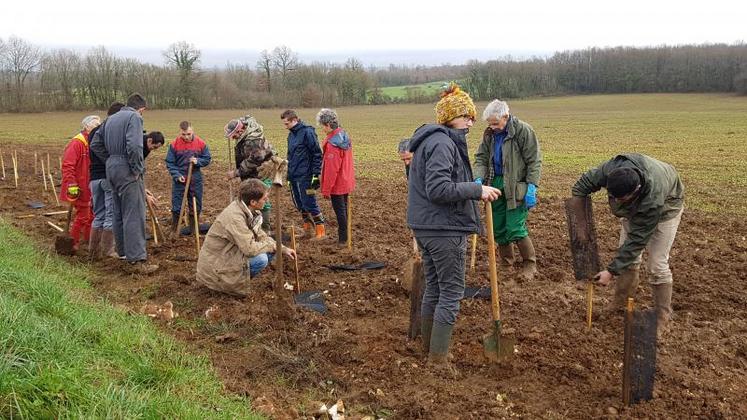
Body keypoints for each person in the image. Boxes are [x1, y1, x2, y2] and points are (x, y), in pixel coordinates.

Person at [407, 83, 501, 373]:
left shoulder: (431, 140)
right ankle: (438, 360)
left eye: (473, 117)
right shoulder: (443, 143)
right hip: (443, 228)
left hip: (427, 226)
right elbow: (438, 189)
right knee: (451, 291)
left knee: (435, 287)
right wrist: (476, 189)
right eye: (467, 117)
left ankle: (428, 349)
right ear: (451, 117)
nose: (472, 122)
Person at [571, 153, 684, 337]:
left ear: (636, 191)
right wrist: (581, 226)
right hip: (638, 204)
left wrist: (611, 271)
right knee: (628, 260)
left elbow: (637, 241)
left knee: (657, 265)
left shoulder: (652, 198)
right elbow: (580, 187)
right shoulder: (610, 171)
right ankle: (620, 302)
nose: (616, 202)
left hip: (667, 207)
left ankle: (662, 316)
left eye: (620, 200)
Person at [474, 99, 542, 282]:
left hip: (516, 185)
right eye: (490, 123)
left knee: (515, 227)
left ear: (506, 116)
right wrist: (478, 178)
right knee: (499, 227)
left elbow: (534, 161)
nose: (493, 127)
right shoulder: (490, 134)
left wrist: (531, 187)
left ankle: (530, 264)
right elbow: (481, 157)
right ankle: (506, 264)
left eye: (495, 123)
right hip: (494, 183)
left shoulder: (523, 131)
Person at [196, 178, 297, 296]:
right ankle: (229, 285)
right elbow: (250, 249)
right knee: (261, 259)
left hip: (229, 253)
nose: (267, 201)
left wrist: (282, 248)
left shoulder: (248, 210)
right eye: (264, 199)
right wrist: (273, 246)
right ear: (253, 202)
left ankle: (239, 278)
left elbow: (261, 236)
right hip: (216, 267)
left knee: (271, 249)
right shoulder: (235, 217)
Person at [102, 93, 158, 274]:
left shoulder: (111, 118)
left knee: (118, 212)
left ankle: (124, 253)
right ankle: (138, 260)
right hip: (127, 169)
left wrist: (111, 161)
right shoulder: (134, 117)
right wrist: (136, 169)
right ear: (141, 109)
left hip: (112, 168)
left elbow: (95, 143)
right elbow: (134, 146)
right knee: (134, 214)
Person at [224, 115, 276, 231]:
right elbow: (246, 117)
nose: (234, 138)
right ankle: (252, 226)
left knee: (261, 199)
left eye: (235, 135)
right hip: (253, 172)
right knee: (251, 200)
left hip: (261, 172)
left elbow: (254, 160)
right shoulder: (245, 129)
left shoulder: (253, 141)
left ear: (241, 130)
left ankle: (264, 230)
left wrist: (236, 173)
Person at [281, 109, 326, 239]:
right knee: (299, 203)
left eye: (287, 124)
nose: (285, 127)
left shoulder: (307, 132)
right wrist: (289, 176)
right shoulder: (291, 135)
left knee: (309, 202)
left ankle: (320, 231)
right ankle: (308, 230)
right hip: (294, 175)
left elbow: (317, 154)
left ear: (294, 120)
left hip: (307, 175)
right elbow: (290, 156)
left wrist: (316, 174)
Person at [60, 115, 101, 251]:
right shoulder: (77, 143)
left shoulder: (92, 142)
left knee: (92, 215)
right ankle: (73, 243)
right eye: (96, 126)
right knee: (83, 216)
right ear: (87, 127)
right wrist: (72, 184)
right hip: (79, 186)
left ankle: (89, 240)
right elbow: (67, 165)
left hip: (90, 185)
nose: (98, 129)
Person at [165, 120, 212, 235]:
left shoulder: (200, 143)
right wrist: (177, 175)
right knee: (177, 205)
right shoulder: (174, 144)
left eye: (188, 134)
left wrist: (198, 161)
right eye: (183, 134)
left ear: (192, 131)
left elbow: (207, 158)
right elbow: (170, 163)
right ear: (180, 132)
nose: (186, 137)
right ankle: (174, 230)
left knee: (195, 205)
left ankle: (193, 230)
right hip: (180, 179)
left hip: (195, 178)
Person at [317, 108, 355, 245]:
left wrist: (326, 189)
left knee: (340, 211)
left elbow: (332, 169)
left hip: (337, 184)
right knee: (344, 208)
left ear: (327, 125)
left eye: (322, 126)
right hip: (346, 179)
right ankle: (346, 236)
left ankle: (343, 239)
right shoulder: (344, 136)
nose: (322, 129)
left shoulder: (333, 144)